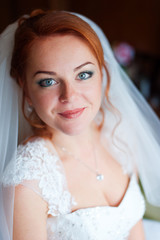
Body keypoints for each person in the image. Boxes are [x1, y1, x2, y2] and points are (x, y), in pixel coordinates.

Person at [0, 9, 160, 240]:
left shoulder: (120, 135)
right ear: (25, 90)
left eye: (83, 75)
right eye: (48, 81)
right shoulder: (27, 180)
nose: (70, 96)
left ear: (103, 74)